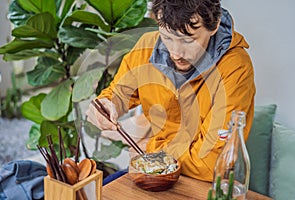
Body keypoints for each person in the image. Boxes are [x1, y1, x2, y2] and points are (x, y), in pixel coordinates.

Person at [86, 0, 255, 182]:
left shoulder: (236, 67)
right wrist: (108, 104)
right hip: (154, 170)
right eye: (167, 37)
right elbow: (119, 93)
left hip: (202, 183)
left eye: (188, 40)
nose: (175, 53)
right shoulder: (147, 46)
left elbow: (211, 161)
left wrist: (150, 149)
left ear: (213, 25)